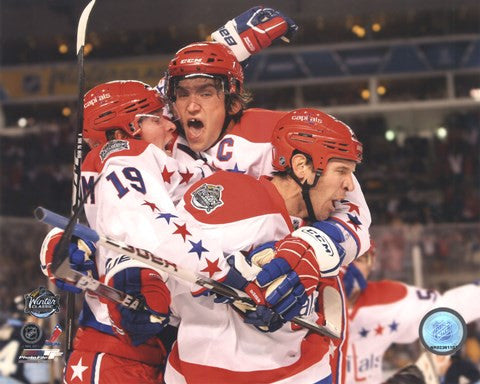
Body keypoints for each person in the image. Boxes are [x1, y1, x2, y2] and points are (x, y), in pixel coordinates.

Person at [163, 107, 365, 384]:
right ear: (301, 167)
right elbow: (168, 257)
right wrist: (229, 268)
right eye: (341, 170)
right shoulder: (237, 194)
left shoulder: (312, 228)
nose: (349, 185)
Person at [342, 242, 480, 384]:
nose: (351, 268)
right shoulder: (317, 300)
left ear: (372, 264)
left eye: (360, 259)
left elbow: (444, 307)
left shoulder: (390, 297)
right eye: (344, 259)